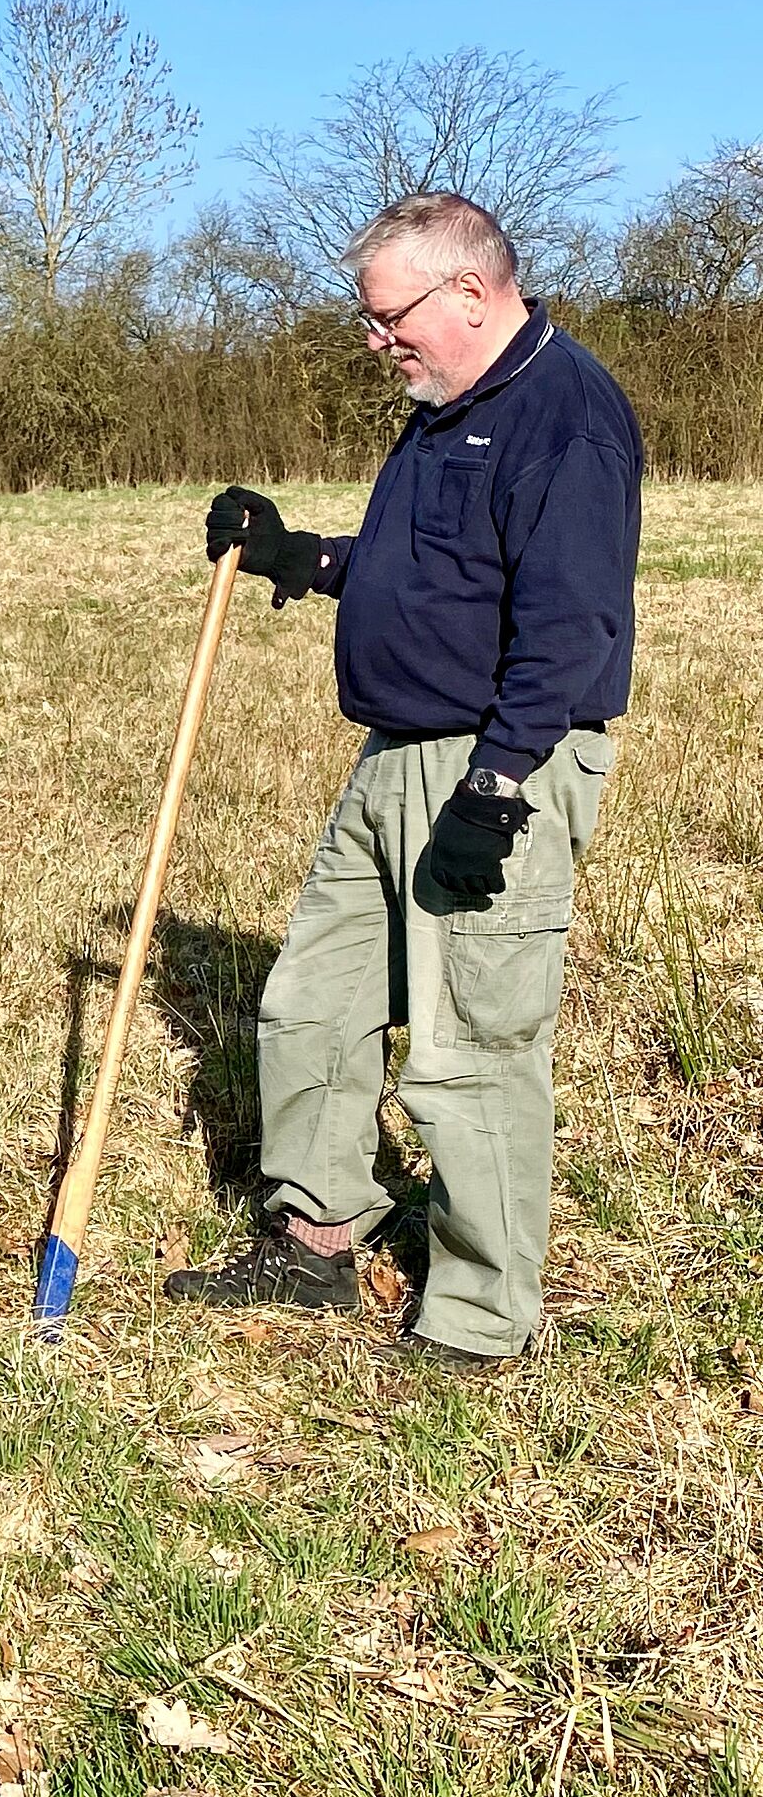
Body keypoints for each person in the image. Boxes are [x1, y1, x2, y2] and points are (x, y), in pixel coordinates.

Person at [168, 194, 641, 1372]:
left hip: (494, 763)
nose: (380, 344)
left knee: (471, 1043)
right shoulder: (443, 413)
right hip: (392, 756)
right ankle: (319, 1236)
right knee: (311, 1004)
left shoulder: (565, 420)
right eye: (371, 322)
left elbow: (570, 630)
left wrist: (496, 792)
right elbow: (417, 576)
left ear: (470, 295)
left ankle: (482, 1319)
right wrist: (295, 557)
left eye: (391, 321)